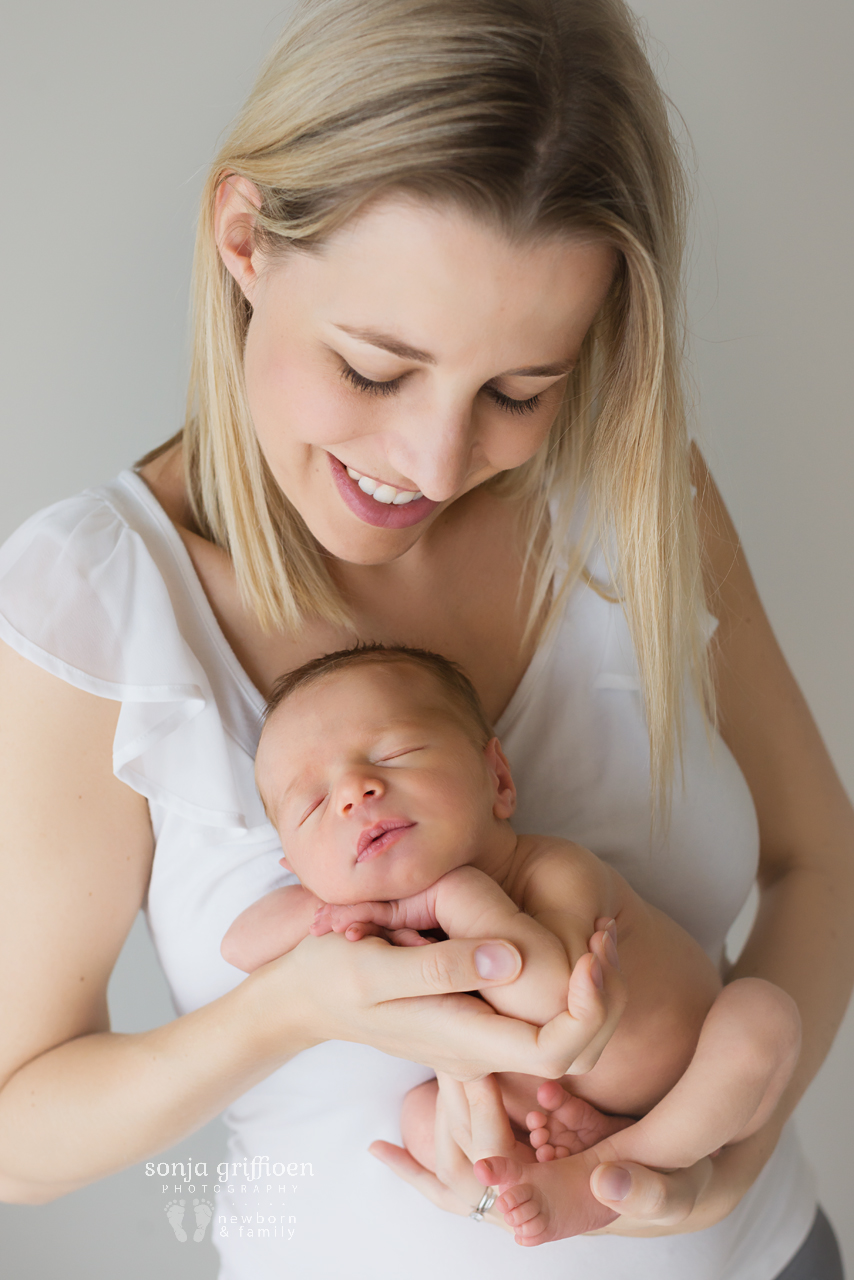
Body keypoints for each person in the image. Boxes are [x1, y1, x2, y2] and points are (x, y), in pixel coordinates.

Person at [0, 0, 850, 1277]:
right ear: (244, 240)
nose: (431, 463)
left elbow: (817, 859)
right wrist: (287, 1008)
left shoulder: (629, 489)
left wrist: (728, 1133)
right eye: (375, 367)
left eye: (518, 391)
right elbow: (14, 1135)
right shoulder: (100, 595)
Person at [222, 641, 802, 1246]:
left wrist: (454, 898)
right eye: (315, 805)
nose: (354, 792)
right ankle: (532, 1177)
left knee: (764, 1015)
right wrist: (331, 905)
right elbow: (240, 946)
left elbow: (553, 995)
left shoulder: (554, 871)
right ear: (295, 864)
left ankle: (604, 1169)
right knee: (420, 1120)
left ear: (497, 779)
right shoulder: (361, 912)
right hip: (538, 1117)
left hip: (691, 1083)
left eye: (394, 754)